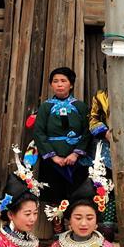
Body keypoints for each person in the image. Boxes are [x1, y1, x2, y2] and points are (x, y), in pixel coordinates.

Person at [87, 71, 124, 241]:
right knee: (107, 186)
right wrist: (105, 133)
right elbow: (93, 118)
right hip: (107, 145)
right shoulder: (100, 96)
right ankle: (107, 226)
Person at [33, 67, 90, 226]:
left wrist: (76, 154)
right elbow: (39, 133)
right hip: (53, 162)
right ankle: (58, 235)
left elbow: (87, 132)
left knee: (77, 197)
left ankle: (75, 231)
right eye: (55, 81)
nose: (59, 85)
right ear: (51, 84)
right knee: (54, 199)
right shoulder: (45, 107)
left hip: (76, 162)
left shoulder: (80, 106)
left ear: (71, 84)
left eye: (63, 81)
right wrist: (53, 157)